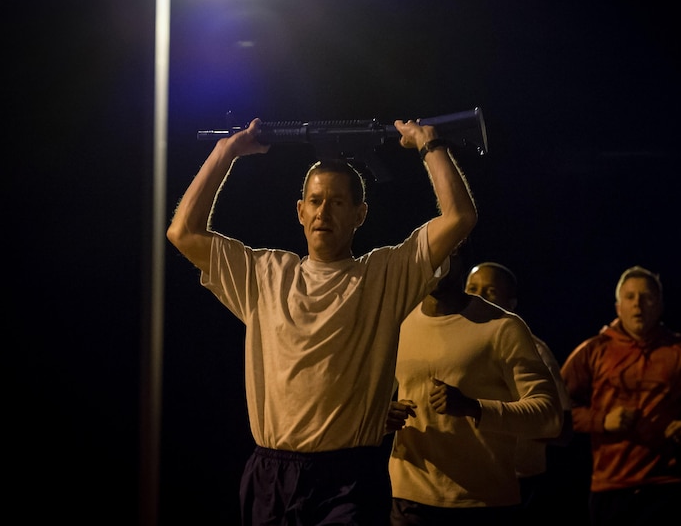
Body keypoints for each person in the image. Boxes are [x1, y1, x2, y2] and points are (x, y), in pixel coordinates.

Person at [166, 117, 477, 525]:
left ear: (359, 214)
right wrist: (225, 153)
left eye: (337, 202)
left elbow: (459, 218)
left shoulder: (382, 275)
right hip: (271, 475)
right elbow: (182, 232)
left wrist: (428, 145)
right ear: (300, 210)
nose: (323, 212)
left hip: (347, 478)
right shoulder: (267, 274)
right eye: (315, 201)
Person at [386, 243, 563, 526]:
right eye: (426, 254)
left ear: (460, 258)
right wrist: (382, 417)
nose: (433, 261)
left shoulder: (503, 327)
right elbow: (366, 404)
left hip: (483, 502)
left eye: (445, 251)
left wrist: (474, 408)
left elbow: (550, 418)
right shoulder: (398, 322)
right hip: (409, 500)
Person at [560, 265, 681, 526]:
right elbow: (557, 408)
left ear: (659, 305)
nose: (638, 304)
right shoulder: (592, 351)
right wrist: (601, 421)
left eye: (646, 297)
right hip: (610, 486)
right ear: (617, 307)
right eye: (630, 297)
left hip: (668, 486)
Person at [464, 261, 573, 519]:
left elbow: (563, 429)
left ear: (512, 304)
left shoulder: (533, 350)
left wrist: (492, 418)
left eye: (489, 291)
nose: (477, 296)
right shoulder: (453, 347)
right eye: (471, 288)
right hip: (464, 487)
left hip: (517, 486)